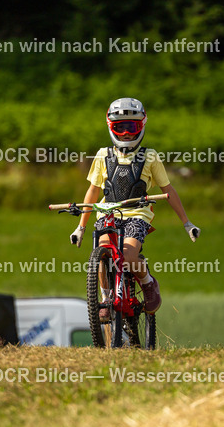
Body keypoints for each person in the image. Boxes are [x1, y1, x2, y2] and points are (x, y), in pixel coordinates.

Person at [69, 98, 200, 317]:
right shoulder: (103, 155)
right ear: (111, 127)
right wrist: (80, 227)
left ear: (141, 125)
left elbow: (169, 190)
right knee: (101, 253)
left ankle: (148, 283)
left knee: (129, 256)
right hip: (108, 213)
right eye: (120, 128)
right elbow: (92, 192)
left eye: (131, 127)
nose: (126, 133)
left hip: (137, 214)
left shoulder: (150, 157)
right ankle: (106, 297)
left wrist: (187, 223)